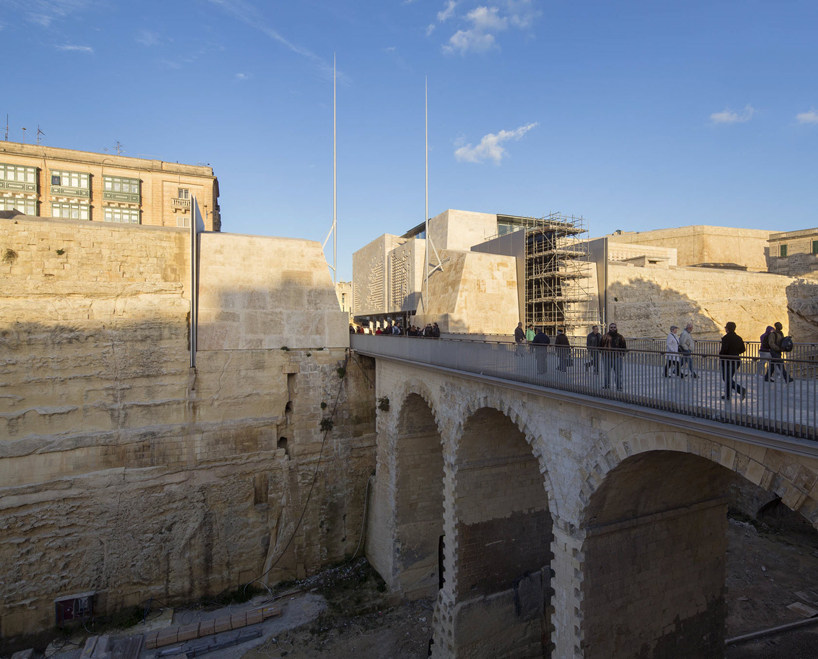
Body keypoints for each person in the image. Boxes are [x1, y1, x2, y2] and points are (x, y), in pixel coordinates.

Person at [719, 321, 746, 400]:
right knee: (728, 378)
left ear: (727, 329)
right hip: (736, 361)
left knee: (726, 378)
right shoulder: (739, 338)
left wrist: (720, 355)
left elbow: (724, 350)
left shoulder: (725, 338)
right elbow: (743, 349)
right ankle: (727, 395)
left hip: (727, 361)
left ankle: (741, 390)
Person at [600, 322, 627, 390]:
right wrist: (603, 354)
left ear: (616, 328)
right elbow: (600, 345)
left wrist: (621, 355)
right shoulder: (605, 336)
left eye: (614, 327)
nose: (613, 329)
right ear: (609, 328)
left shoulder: (620, 337)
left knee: (618, 373)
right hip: (607, 357)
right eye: (611, 327)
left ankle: (619, 386)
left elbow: (624, 347)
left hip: (617, 357)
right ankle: (607, 385)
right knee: (607, 372)